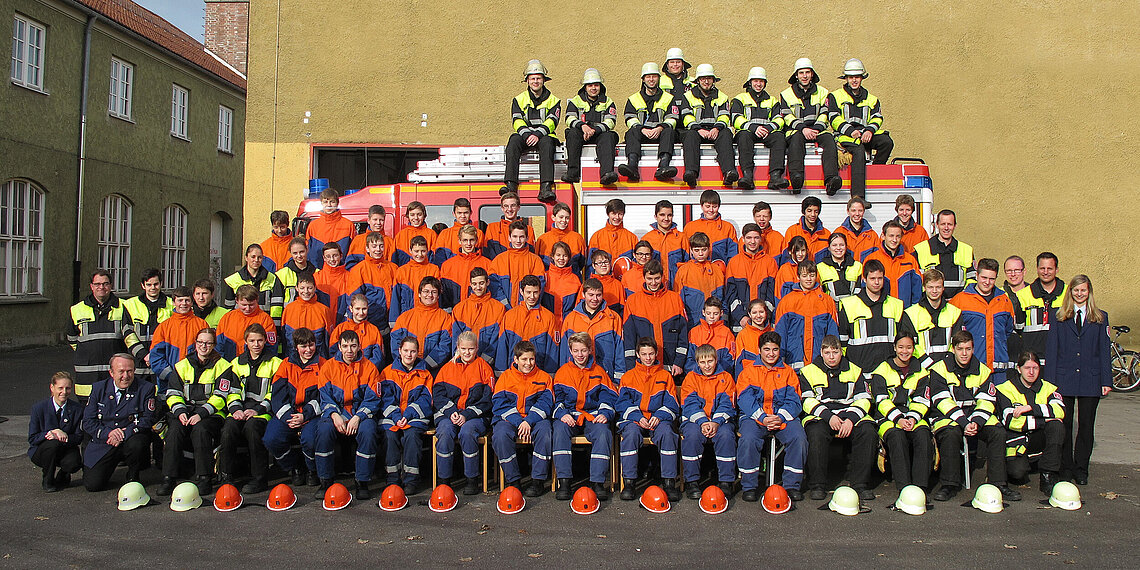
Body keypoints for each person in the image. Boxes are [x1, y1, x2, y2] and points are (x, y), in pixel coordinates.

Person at [927, 329, 1013, 501]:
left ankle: (998, 483)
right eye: (960, 349)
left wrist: (976, 422)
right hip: (948, 417)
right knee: (951, 433)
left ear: (973, 349)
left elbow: (987, 400)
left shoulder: (983, 370)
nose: (964, 353)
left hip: (975, 418)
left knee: (998, 432)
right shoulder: (939, 369)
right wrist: (964, 423)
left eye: (968, 349)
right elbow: (942, 401)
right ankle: (949, 484)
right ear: (953, 349)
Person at [1045, 274, 1111, 486]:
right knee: (1064, 425)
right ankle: (1065, 468)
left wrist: (1106, 381)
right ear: (1070, 292)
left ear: (1089, 292)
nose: (1080, 294)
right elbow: (1052, 350)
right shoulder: (1059, 316)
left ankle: (1081, 469)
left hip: (1091, 379)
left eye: (1083, 290)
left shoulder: (1100, 317)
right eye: (1076, 290)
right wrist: (1050, 383)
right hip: (1064, 379)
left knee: (1086, 426)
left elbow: (1104, 351)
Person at [799, 335, 876, 501]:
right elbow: (806, 401)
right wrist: (829, 417)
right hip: (822, 414)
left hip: (850, 413)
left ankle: (860, 484)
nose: (831, 357)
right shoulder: (808, 371)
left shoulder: (855, 370)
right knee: (816, 433)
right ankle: (817, 485)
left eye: (835, 352)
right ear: (821, 353)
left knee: (868, 431)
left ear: (841, 352)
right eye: (827, 353)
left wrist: (850, 419)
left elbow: (864, 399)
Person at [737, 331, 808, 502]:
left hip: (781, 417)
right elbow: (744, 399)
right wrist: (762, 417)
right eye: (767, 349)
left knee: (798, 438)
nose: (771, 353)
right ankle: (749, 486)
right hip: (755, 417)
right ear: (759, 350)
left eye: (775, 349)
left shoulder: (788, 372)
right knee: (748, 439)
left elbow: (794, 400)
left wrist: (780, 417)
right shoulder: (748, 372)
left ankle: (791, 485)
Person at [158, 327, 230, 496]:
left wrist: (201, 414)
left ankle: (204, 478)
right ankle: (168, 478)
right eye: (200, 342)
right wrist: (180, 412)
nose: (204, 346)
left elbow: (221, 396)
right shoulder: (181, 365)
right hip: (185, 411)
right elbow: (173, 393)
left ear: (214, 345)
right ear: (195, 343)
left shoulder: (223, 366)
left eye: (208, 343)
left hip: (211, 413)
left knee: (201, 430)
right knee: (174, 431)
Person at [314, 330, 381, 499]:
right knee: (323, 431)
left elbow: (373, 399)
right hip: (336, 413)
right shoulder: (328, 367)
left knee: (368, 431)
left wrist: (358, 417)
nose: (349, 350)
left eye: (353, 346)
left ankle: (362, 481)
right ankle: (325, 480)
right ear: (339, 347)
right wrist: (334, 415)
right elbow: (324, 397)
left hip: (360, 414)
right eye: (345, 346)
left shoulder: (370, 368)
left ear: (359, 346)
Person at [552, 332, 618, 501]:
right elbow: (556, 399)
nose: (580, 355)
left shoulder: (599, 372)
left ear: (590, 350)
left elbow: (609, 396)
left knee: (603, 432)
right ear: (570, 351)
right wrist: (562, 414)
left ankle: (598, 482)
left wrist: (604, 413)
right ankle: (564, 481)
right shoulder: (562, 372)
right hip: (570, 415)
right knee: (559, 430)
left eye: (583, 350)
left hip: (592, 416)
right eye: (576, 351)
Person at [217, 323, 281, 493]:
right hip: (240, 410)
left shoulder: (275, 363)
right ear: (245, 342)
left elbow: (275, 393)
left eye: (259, 340)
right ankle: (226, 476)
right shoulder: (236, 363)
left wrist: (258, 410)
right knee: (228, 430)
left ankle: (259, 479)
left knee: (252, 429)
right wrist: (235, 409)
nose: (256, 344)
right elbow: (232, 392)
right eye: (252, 341)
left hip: (263, 412)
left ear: (265, 340)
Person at [616, 338, 681, 501]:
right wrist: (637, 417)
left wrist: (659, 416)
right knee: (630, 434)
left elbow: (672, 404)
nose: (648, 358)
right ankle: (629, 482)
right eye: (644, 354)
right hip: (635, 420)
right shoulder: (628, 376)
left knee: (667, 433)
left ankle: (669, 482)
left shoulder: (665, 376)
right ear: (637, 354)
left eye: (651, 354)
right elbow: (622, 403)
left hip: (658, 420)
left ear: (656, 353)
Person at [67, 270, 147, 402]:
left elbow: (130, 335)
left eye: (105, 284)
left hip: (116, 374)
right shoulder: (77, 309)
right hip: (87, 376)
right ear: (91, 286)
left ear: (110, 286)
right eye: (97, 284)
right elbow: (72, 339)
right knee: (88, 411)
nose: (101, 287)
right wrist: (87, 352)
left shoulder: (124, 307)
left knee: (118, 408)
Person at [81, 354, 156, 492]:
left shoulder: (146, 388)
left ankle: (133, 475)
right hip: (105, 440)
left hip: (130, 438)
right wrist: (108, 433)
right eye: (121, 371)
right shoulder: (99, 389)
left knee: (138, 443)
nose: (126, 376)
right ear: (111, 372)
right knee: (93, 485)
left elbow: (148, 419)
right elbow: (88, 421)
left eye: (130, 371)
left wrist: (123, 433)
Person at [869, 335, 934, 492]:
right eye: (901, 347)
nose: (905, 351)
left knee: (923, 435)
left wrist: (912, 418)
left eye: (909, 347)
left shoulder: (921, 372)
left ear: (913, 349)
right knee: (897, 436)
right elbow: (881, 401)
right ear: (894, 348)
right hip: (888, 418)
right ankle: (904, 488)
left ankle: (920, 488)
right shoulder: (882, 370)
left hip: (914, 416)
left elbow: (922, 400)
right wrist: (898, 419)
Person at [433, 331, 494, 495]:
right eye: (464, 349)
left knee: (467, 432)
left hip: (475, 416)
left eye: (471, 349)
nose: (467, 352)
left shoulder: (484, 368)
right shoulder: (447, 368)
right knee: (444, 432)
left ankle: (471, 479)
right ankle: (444, 480)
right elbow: (438, 395)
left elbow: (487, 399)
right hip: (450, 415)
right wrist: (451, 412)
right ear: (458, 348)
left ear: (477, 348)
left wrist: (466, 415)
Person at [491, 340, 555, 497]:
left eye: (531, 359)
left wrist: (529, 421)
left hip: (535, 419)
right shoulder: (505, 377)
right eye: (524, 359)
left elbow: (546, 403)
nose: (528, 363)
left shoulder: (544, 377)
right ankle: (513, 481)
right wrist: (520, 422)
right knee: (500, 435)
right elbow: (499, 403)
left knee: (545, 432)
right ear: (516, 359)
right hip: (511, 420)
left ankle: (538, 481)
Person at [997, 351, 1065, 494]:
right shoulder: (1005, 389)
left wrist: (1030, 408)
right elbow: (1011, 421)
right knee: (1017, 474)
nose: (1031, 372)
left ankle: (1048, 474)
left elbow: (1060, 411)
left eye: (1035, 368)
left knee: (1057, 426)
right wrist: (1044, 419)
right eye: (1027, 368)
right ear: (1019, 369)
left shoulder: (1048, 388)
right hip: (1017, 442)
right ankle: (1028, 464)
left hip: (1038, 439)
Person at [264, 327, 323, 487]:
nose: (308, 350)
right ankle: (295, 467)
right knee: (271, 439)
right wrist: (289, 417)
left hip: (313, 415)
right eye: (303, 346)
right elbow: (277, 395)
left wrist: (305, 415)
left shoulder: (324, 365)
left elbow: (323, 396)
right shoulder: (286, 365)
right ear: (296, 347)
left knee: (310, 440)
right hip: (289, 414)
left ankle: (312, 470)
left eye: (311, 345)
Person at [828, 59, 893, 200]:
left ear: (862, 78)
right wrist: (851, 131)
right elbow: (834, 118)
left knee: (886, 142)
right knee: (859, 151)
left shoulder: (872, 99)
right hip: (846, 136)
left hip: (865, 134)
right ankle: (858, 197)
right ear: (846, 78)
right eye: (851, 77)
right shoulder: (835, 96)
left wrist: (869, 130)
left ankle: (874, 174)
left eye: (857, 77)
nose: (854, 80)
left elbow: (877, 118)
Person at [679, 344, 737, 499]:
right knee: (692, 436)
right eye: (703, 362)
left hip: (720, 421)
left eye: (710, 361)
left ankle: (726, 481)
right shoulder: (691, 378)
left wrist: (716, 422)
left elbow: (728, 404)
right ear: (697, 362)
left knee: (726, 436)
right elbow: (689, 404)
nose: (707, 366)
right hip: (695, 420)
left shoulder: (726, 378)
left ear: (716, 360)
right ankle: (692, 482)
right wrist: (703, 422)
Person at [837, 259, 915, 372]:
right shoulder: (849, 305)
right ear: (864, 279)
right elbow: (842, 343)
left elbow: (906, 340)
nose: (877, 282)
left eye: (880, 278)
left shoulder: (896, 305)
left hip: (889, 372)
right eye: (872, 278)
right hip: (859, 372)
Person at [379, 335, 433, 496]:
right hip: (392, 416)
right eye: (406, 350)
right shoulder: (387, 372)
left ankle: (411, 480)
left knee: (411, 435)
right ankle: (392, 479)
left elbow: (426, 400)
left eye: (413, 351)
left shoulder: (425, 374)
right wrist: (397, 417)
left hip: (414, 417)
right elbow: (384, 398)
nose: (409, 354)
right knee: (389, 435)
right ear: (399, 351)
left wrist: (407, 415)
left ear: (418, 353)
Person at [778, 58, 841, 195]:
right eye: (801, 73)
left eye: (807, 72)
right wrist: (803, 129)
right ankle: (796, 177)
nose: (804, 76)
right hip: (797, 130)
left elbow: (825, 113)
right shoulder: (786, 94)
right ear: (796, 75)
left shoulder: (823, 92)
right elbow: (787, 116)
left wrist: (816, 129)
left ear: (812, 74)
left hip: (817, 129)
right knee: (796, 139)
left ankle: (831, 179)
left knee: (829, 139)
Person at [502, 59, 561, 203]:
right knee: (513, 141)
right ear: (527, 81)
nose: (535, 81)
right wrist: (528, 134)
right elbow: (517, 120)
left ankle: (546, 187)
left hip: (544, 135)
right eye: (533, 78)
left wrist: (538, 134)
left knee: (547, 144)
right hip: (525, 135)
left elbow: (552, 121)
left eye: (538, 78)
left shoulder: (554, 100)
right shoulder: (518, 99)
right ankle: (510, 185)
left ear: (544, 80)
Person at [951, 258, 1016, 375]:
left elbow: (1008, 331)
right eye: (984, 277)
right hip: (971, 369)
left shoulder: (1004, 300)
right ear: (976, 275)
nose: (987, 282)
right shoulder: (959, 300)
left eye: (992, 279)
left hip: (999, 371)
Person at [624, 259, 688, 375]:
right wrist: (631, 367)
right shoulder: (633, 301)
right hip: (643, 368)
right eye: (649, 279)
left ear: (662, 277)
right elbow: (629, 338)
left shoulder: (675, 299)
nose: (653, 283)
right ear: (644, 278)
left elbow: (683, 334)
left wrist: (679, 362)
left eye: (657, 278)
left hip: (670, 367)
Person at [619, 62, 679, 183]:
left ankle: (663, 166)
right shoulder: (633, 99)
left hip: (661, 134)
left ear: (658, 78)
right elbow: (630, 118)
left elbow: (672, 118)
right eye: (648, 77)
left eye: (654, 76)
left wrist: (660, 128)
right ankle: (632, 166)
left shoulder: (668, 98)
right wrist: (642, 129)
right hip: (642, 133)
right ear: (643, 79)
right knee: (631, 132)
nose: (651, 79)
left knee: (669, 132)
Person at [773, 262, 839, 370]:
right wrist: (780, 361)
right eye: (804, 276)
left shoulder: (827, 301)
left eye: (812, 275)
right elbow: (780, 335)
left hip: (820, 364)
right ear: (798, 277)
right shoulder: (786, 302)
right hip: (794, 362)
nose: (809, 279)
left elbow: (832, 335)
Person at [680, 64, 736, 188]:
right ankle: (691, 173)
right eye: (703, 78)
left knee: (726, 133)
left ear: (713, 80)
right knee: (689, 135)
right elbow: (686, 116)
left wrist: (717, 128)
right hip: (697, 130)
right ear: (698, 80)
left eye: (709, 78)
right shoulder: (688, 96)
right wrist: (698, 129)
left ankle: (729, 172)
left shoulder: (722, 97)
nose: (706, 82)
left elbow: (724, 116)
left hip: (716, 130)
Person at [731, 67, 788, 190]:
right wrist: (754, 128)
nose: (758, 84)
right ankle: (747, 176)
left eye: (761, 81)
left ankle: (775, 177)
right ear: (750, 82)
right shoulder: (740, 99)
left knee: (779, 137)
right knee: (743, 136)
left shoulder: (772, 100)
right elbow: (736, 118)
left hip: (767, 132)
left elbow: (779, 119)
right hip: (749, 132)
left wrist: (767, 128)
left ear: (765, 83)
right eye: (755, 81)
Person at [560, 277, 625, 381]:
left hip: (605, 377)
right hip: (576, 378)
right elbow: (564, 352)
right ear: (583, 295)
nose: (595, 299)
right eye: (591, 295)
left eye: (598, 295)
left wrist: (618, 379)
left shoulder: (613, 318)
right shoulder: (571, 319)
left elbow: (619, 351)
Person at [562, 68, 619, 185]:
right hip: (581, 133)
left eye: (596, 85)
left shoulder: (608, 102)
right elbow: (569, 118)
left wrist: (594, 130)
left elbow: (611, 122)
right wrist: (582, 126)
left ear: (600, 86)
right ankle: (573, 173)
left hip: (599, 134)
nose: (593, 88)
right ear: (585, 87)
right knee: (571, 133)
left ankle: (607, 174)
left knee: (609, 136)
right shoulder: (576, 101)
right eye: (590, 85)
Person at [28, 372, 83, 492]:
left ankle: (64, 474)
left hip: (65, 448)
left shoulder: (77, 409)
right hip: (43, 451)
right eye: (60, 388)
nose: (64, 392)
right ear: (52, 388)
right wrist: (51, 433)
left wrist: (65, 436)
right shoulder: (39, 408)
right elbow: (32, 438)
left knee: (74, 463)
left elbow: (79, 437)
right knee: (53, 444)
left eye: (68, 388)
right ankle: (47, 479)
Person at [150, 286, 209, 394]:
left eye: (187, 300)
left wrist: (197, 374)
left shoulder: (202, 325)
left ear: (192, 302)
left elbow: (208, 353)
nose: (184, 303)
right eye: (180, 300)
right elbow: (156, 357)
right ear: (173, 302)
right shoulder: (164, 327)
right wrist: (172, 376)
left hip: (196, 383)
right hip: (168, 384)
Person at [495, 275, 559, 375]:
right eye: (528, 292)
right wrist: (500, 373)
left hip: (538, 375)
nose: (532, 297)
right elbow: (502, 347)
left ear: (540, 291)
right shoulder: (509, 316)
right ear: (521, 292)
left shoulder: (549, 317)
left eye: (535, 292)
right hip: (513, 375)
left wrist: (550, 375)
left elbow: (552, 350)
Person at [391, 276, 455, 372]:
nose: (430, 295)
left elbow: (444, 347)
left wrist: (424, 365)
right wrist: (405, 363)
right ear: (419, 294)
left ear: (438, 295)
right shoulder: (405, 317)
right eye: (426, 291)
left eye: (434, 292)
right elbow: (396, 342)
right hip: (405, 370)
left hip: (432, 370)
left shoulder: (446, 319)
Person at [725, 223, 778, 331]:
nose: (752, 242)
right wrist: (741, 317)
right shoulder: (734, 262)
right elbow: (731, 295)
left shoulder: (770, 262)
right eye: (749, 238)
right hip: (740, 324)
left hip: (763, 323)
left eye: (756, 238)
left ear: (761, 239)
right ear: (743, 239)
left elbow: (772, 294)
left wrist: (762, 315)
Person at [1014, 252, 1066, 362]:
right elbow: (1018, 329)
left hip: (1061, 359)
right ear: (1037, 269)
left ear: (1056, 270)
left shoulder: (1068, 293)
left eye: (1049, 268)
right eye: (1042, 268)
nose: (1045, 272)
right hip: (1032, 362)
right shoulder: (1023, 295)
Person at [905, 269, 963, 367]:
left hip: (947, 368)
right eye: (930, 287)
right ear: (924, 287)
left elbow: (957, 342)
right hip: (921, 369)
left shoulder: (955, 312)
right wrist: (928, 364)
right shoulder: (911, 313)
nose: (934, 291)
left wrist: (945, 365)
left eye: (938, 287)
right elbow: (910, 344)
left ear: (943, 287)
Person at [123, 268, 172, 380]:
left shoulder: (171, 305)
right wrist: (144, 355)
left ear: (161, 284)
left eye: (156, 284)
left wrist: (155, 356)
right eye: (149, 285)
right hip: (139, 363)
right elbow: (128, 334)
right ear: (143, 285)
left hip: (163, 361)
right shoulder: (131, 305)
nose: (153, 288)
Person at [913, 209, 975, 298]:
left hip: (958, 302)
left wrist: (962, 298)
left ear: (955, 226)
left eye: (950, 224)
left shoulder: (966, 250)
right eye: (943, 224)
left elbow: (972, 280)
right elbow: (916, 281)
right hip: (930, 302)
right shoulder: (921, 249)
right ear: (937, 225)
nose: (946, 228)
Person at [343, 231, 397, 333]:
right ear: (367, 248)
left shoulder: (393, 268)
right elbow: (353, 299)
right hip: (367, 323)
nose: (378, 249)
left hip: (387, 324)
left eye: (381, 246)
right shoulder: (359, 270)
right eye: (374, 246)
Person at [222, 244, 285, 328]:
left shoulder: (272, 279)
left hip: (263, 325)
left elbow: (277, 308)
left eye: (259, 257)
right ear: (246, 258)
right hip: (240, 325)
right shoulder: (233, 279)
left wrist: (275, 327)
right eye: (253, 257)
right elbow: (228, 309)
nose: (256, 260)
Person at [673, 232, 726, 329]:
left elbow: (723, 299)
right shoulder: (683, 271)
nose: (701, 253)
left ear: (709, 249)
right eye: (697, 250)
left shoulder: (717, 270)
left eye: (704, 250)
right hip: (693, 322)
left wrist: (724, 320)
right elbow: (678, 302)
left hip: (715, 323)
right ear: (691, 250)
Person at [863, 220, 922, 307]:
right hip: (880, 310)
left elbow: (917, 288)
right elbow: (865, 286)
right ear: (883, 236)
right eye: (891, 236)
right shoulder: (872, 259)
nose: (894, 240)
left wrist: (914, 309)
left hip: (904, 310)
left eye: (898, 236)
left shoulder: (910, 260)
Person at [452, 268, 504, 364]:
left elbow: (496, 340)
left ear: (488, 282)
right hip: (464, 363)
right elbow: (456, 338)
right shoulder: (459, 309)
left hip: (487, 363)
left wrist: (482, 362)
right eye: (474, 284)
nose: (478, 287)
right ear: (470, 284)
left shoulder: (498, 308)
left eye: (481, 283)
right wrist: (460, 359)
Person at [489, 220, 546, 309]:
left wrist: (523, 307)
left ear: (527, 238)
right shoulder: (499, 260)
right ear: (509, 238)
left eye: (521, 237)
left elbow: (538, 288)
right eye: (515, 236)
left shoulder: (536, 261)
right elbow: (494, 287)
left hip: (527, 311)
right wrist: (505, 306)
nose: (518, 240)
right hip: (503, 310)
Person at [216, 284, 278, 360]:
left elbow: (271, 348)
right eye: (244, 305)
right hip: (230, 362)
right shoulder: (227, 318)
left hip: (256, 363)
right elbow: (218, 345)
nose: (247, 308)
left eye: (251, 305)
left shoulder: (265, 319)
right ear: (237, 301)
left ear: (257, 300)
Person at [440, 225, 493, 310]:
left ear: (476, 241)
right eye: (465, 240)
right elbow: (444, 297)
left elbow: (491, 292)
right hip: (456, 312)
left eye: (471, 240)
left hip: (480, 311)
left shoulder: (487, 264)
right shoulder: (447, 265)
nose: (468, 244)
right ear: (459, 241)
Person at [281, 275, 333, 358]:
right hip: (293, 358)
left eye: (309, 288)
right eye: (302, 288)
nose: (306, 291)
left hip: (317, 359)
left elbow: (328, 340)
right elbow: (284, 338)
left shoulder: (323, 310)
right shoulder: (289, 309)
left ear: (315, 288)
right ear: (296, 288)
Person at [329, 293, 385, 371]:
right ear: (351, 309)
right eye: (357, 309)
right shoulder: (340, 329)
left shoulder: (373, 330)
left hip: (366, 373)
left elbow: (378, 358)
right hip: (343, 372)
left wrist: (365, 371)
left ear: (368, 308)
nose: (361, 313)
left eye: (364, 309)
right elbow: (333, 354)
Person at [304, 188, 356, 270]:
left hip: (342, 272)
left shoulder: (348, 225)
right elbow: (308, 253)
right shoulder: (313, 226)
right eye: (325, 202)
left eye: (332, 202)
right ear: (321, 203)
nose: (329, 205)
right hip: (319, 273)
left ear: (337, 203)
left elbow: (353, 252)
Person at [686, 297, 737, 375]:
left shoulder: (727, 333)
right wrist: (702, 373)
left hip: (719, 377)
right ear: (703, 312)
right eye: (708, 313)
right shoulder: (694, 332)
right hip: (697, 377)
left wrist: (714, 372)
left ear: (721, 313)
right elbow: (689, 360)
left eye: (715, 314)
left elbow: (729, 360)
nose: (712, 317)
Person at [392, 235, 440, 316]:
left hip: (429, 314)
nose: (420, 254)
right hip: (407, 315)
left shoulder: (434, 269)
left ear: (427, 250)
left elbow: (437, 296)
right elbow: (395, 298)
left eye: (423, 251)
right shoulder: (402, 271)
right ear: (410, 251)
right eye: (416, 251)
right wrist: (393, 319)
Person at [588, 199, 638, 275]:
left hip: (624, 280)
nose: (617, 217)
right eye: (614, 213)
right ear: (608, 214)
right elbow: (590, 266)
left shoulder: (632, 238)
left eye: (620, 214)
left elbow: (636, 265)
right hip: (603, 281)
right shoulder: (597, 237)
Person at [643, 200, 687, 284]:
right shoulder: (647, 239)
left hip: (677, 285)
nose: (666, 219)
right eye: (662, 215)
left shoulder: (681, 238)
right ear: (655, 216)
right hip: (655, 286)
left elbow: (689, 265)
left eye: (669, 215)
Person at [536, 202, 586, 274]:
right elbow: (538, 264)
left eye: (567, 218)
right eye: (561, 217)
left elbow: (582, 263)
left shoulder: (578, 238)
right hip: (550, 280)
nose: (564, 220)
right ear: (553, 217)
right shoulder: (542, 240)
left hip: (572, 279)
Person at [484, 192, 535, 260]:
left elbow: (530, 254)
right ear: (502, 208)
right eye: (506, 206)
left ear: (518, 207)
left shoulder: (529, 229)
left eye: (513, 205)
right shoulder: (492, 228)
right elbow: (488, 254)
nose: (509, 209)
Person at [543, 241, 581, 331]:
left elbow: (578, 306)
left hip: (568, 326)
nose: (561, 258)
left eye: (565, 256)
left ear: (569, 258)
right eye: (558, 255)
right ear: (552, 256)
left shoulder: (575, 279)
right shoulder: (545, 277)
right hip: (548, 325)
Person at [434, 198, 485, 265]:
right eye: (459, 213)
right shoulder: (444, 234)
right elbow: (439, 260)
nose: (462, 216)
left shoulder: (479, 233)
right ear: (454, 214)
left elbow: (481, 258)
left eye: (466, 213)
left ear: (471, 213)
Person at [817, 232, 863, 303]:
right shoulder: (820, 267)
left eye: (841, 245)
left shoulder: (857, 266)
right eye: (834, 245)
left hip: (852, 307)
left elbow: (860, 291)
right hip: (830, 306)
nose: (838, 248)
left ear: (846, 246)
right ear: (829, 248)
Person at [345, 205, 393, 269]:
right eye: (375, 219)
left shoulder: (390, 242)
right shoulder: (358, 240)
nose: (378, 223)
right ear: (368, 220)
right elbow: (350, 265)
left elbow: (392, 266)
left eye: (381, 220)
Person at [832, 197, 879, 262]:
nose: (857, 214)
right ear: (848, 211)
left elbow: (877, 260)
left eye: (860, 210)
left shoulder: (872, 236)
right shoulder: (839, 232)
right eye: (853, 210)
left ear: (864, 211)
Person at [392, 201, 437, 266]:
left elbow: (435, 259)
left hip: (426, 271)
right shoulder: (400, 235)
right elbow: (393, 260)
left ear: (424, 216)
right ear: (408, 216)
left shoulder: (431, 235)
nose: (416, 218)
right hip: (405, 272)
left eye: (419, 214)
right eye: (412, 215)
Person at [314, 243, 350, 323]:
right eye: (328, 256)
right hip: (322, 321)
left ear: (341, 256)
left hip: (343, 321)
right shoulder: (316, 277)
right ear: (324, 258)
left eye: (335, 255)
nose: (332, 259)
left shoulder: (350, 277)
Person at [276, 238, 316, 304]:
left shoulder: (317, 273)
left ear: (307, 250)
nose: (299, 256)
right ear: (290, 253)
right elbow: (277, 301)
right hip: (290, 310)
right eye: (295, 253)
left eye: (301, 252)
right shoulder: (282, 274)